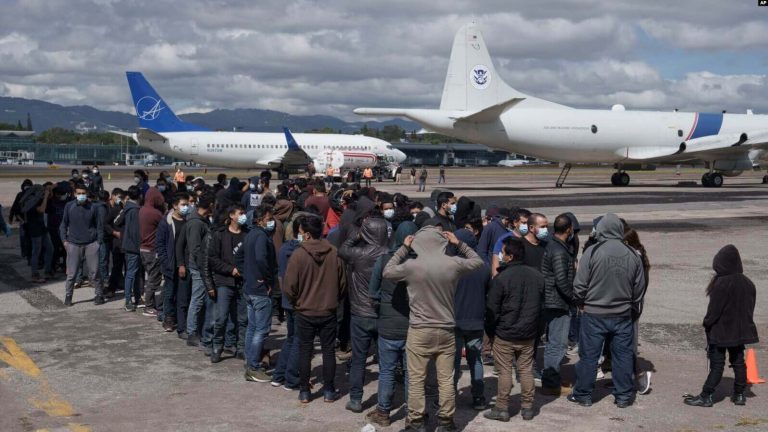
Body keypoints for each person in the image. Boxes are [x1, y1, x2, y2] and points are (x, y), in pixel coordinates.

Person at [383, 226, 483, 432]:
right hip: (446, 329)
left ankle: (416, 421)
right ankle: (446, 421)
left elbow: (388, 271)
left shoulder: (411, 266)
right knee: (446, 379)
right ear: (443, 242)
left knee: (417, 379)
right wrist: (460, 244)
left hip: (419, 330)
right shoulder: (452, 263)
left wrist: (403, 248)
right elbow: (477, 261)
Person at [569, 213, 646, 408]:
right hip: (622, 314)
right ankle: (623, 396)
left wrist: (582, 303)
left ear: (601, 230)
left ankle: (583, 394)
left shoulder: (593, 252)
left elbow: (579, 284)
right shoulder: (632, 254)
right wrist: (629, 304)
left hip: (594, 313)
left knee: (589, 356)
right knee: (622, 356)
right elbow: (639, 288)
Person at [684, 245, 758, 408]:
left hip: (721, 331)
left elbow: (714, 311)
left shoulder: (722, 283)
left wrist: (707, 323)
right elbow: (749, 309)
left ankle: (706, 395)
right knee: (738, 362)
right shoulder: (748, 283)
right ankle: (739, 394)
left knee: (717, 364)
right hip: (740, 331)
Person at [284, 215, 348, 404]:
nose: (299, 235)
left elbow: (289, 286)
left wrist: (297, 302)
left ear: (308, 234)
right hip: (328, 311)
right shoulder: (334, 253)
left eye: (301, 232)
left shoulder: (298, 255)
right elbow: (342, 283)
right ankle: (328, 390)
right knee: (328, 351)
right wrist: (333, 299)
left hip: (305, 311)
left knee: (305, 350)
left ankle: (304, 391)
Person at [484, 237, 544, 422]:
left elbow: (492, 309)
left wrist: (491, 332)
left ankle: (501, 407)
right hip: (528, 333)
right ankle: (527, 407)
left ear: (509, 256)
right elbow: (542, 308)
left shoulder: (501, 278)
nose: (501, 255)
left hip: (505, 333)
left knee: (504, 372)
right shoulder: (537, 276)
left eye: (503, 252)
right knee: (525, 370)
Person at [365, 221, 418, 427]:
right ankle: (412, 415)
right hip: (412, 327)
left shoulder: (384, 260)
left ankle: (383, 412)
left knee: (386, 371)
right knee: (411, 374)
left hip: (387, 326)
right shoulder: (421, 263)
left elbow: (373, 293)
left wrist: (383, 306)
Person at [338, 216, 390, 413]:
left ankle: (356, 399)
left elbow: (341, 250)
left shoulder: (358, 254)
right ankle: (385, 400)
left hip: (360, 313)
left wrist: (356, 236)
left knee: (359, 359)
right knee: (386, 362)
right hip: (382, 314)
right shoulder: (389, 254)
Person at [238, 205, 277, 381]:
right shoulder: (261, 236)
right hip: (259, 290)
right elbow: (262, 259)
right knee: (261, 329)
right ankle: (253, 366)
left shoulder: (250, 235)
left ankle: (250, 362)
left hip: (250, 287)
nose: (271, 222)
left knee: (252, 327)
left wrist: (247, 274)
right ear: (259, 220)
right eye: (268, 218)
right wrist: (266, 279)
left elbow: (238, 257)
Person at [453, 228, 491, 411]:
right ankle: (478, 397)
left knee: (451, 363)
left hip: (453, 321)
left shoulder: (451, 265)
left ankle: (448, 397)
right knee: (475, 360)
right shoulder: (483, 266)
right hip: (476, 320)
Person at [540, 214, 576, 396]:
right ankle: (551, 383)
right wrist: (573, 299)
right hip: (557, 302)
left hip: (551, 301)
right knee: (557, 344)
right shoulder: (559, 251)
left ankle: (551, 379)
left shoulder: (553, 246)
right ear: (568, 229)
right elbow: (562, 281)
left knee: (553, 343)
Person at [209, 205, 248, 363]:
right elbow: (213, 259)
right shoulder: (220, 235)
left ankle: (241, 347)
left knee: (243, 318)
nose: (243, 216)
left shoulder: (247, 234)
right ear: (232, 216)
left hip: (243, 282)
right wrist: (230, 269)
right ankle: (217, 346)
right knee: (222, 317)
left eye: (244, 213)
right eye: (241, 213)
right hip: (225, 281)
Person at [270, 218, 302, 391]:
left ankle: (279, 375)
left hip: (287, 300)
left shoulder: (284, 249)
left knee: (291, 339)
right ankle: (291, 377)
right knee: (298, 340)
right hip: (299, 302)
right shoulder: (301, 252)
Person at [60, 183, 105, 306]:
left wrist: (98, 242)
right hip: (73, 244)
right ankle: (68, 296)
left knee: (95, 272)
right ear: (74, 194)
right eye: (79, 193)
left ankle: (99, 294)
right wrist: (64, 240)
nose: (81, 196)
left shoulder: (93, 207)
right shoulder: (69, 206)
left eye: (83, 193)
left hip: (91, 244)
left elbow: (99, 226)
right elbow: (63, 224)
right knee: (71, 274)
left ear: (87, 194)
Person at [623, 225, 653, 395]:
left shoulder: (635, 257)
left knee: (628, 345)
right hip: (634, 306)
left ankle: (638, 376)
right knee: (627, 344)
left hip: (632, 307)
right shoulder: (639, 255)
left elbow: (638, 286)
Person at [184, 193, 214, 347]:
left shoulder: (201, 220)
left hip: (200, 266)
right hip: (198, 267)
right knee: (197, 299)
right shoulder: (196, 223)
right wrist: (203, 269)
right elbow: (195, 249)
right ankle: (192, 332)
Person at [156, 192, 189, 333]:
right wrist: (166, 262)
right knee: (169, 292)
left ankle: (178, 317)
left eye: (187, 204)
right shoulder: (166, 222)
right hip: (171, 264)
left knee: (182, 294)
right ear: (175, 205)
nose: (186, 207)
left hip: (184, 263)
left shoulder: (187, 221)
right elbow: (160, 245)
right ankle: (168, 317)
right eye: (183, 204)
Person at [139, 187, 166, 317]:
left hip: (143, 248)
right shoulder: (155, 213)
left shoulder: (142, 210)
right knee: (154, 278)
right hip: (152, 249)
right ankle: (149, 306)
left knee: (150, 276)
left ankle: (149, 302)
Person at [115, 186, 142, 311]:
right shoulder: (135, 210)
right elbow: (136, 231)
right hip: (134, 246)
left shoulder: (126, 208)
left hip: (127, 244)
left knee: (134, 272)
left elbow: (117, 222)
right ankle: (128, 300)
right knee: (131, 273)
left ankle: (136, 297)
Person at [27, 184, 54, 283]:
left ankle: (47, 271)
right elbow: (42, 209)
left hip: (42, 228)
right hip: (35, 230)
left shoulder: (37, 199)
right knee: (36, 252)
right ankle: (35, 274)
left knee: (50, 249)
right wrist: (46, 196)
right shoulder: (31, 202)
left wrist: (49, 191)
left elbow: (49, 199)